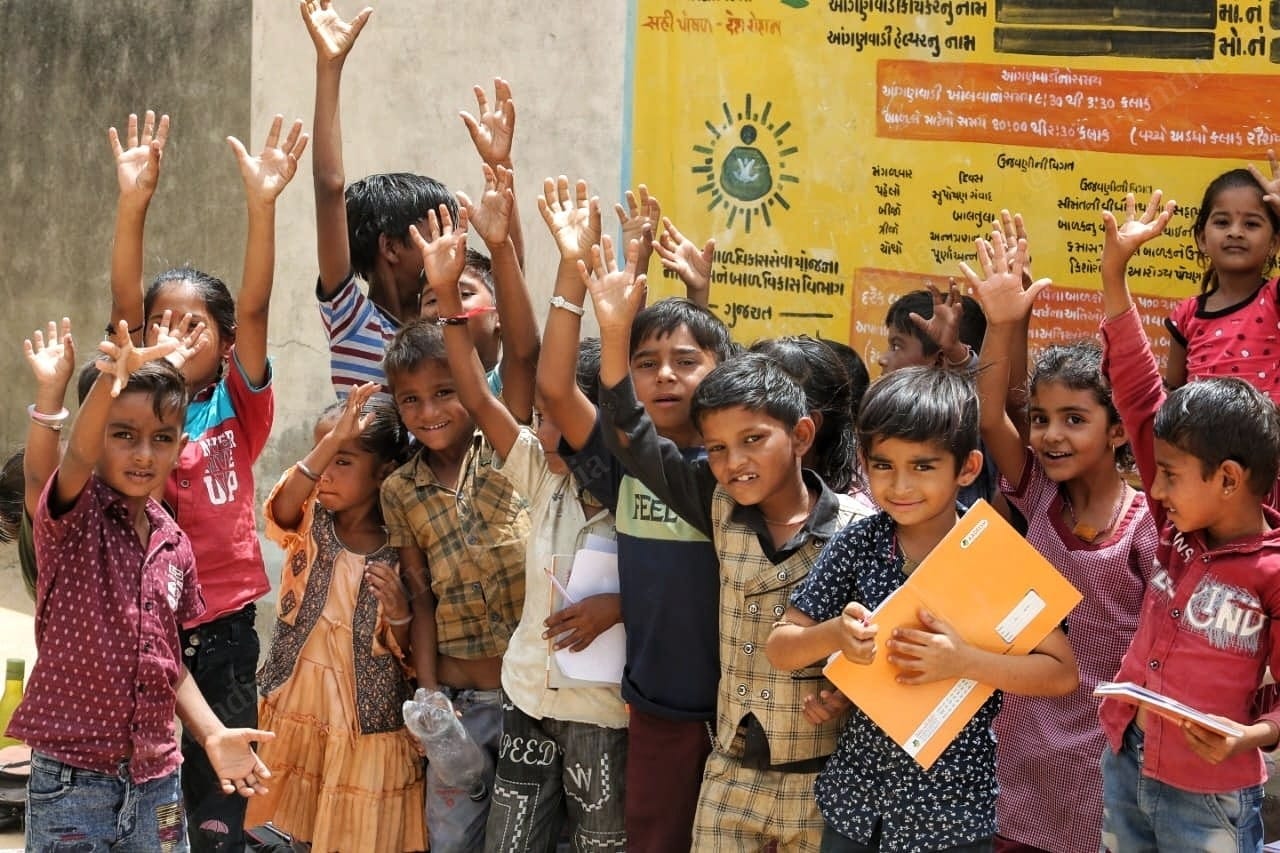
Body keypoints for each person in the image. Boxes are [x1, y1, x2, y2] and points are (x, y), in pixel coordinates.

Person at [582, 237, 870, 850]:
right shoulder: (713, 501)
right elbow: (631, 434)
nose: (733, 463)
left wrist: (846, 691)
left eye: (753, 441)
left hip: (818, 779)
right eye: (716, 449)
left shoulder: (856, 527)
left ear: (801, 435)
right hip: (729, 772)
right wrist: (613, 334)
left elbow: (883, 636)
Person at [766, 366, 1079, 853]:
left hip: (952, 813)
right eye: (884, 465)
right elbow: (782, 648)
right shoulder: (858, 543)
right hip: (857, 804)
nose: (900, 486)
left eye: (924, 466)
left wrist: (964, 662)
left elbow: (1061, 674)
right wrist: (836, 635)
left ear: (968, 469)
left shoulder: (993, 556)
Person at [106, 108, 308, 852]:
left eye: (196, 324)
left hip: (223, 638)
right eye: (165, 321)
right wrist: (134, 203)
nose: (178, 332)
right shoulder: (136, 416)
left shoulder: (237, 409)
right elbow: (124, 311)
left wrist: (263, 205)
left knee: (219, 815)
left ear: (225, 346)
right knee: (151, 813)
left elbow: (253, 306)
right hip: (144, 632)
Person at [9, 324, 274, 851]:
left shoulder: (173, 542)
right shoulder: (75, 520)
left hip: (157, 782)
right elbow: (74, 459)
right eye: (122, 434)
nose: (143, 454)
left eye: (161, 438)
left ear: (180, 443)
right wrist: (105, 381)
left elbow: (166, 660)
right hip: (72, 782)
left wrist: (212, 733)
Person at [411, 207, 628, 851]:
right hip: (528, 700)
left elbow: (687, 590)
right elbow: (479, 396)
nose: (552, 434)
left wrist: (616, 608)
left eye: (570, 420)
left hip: (603, 719)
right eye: (547, 418)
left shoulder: (646, 498)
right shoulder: (542, 474)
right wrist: (447, 294)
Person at [536, 177, 731, 853]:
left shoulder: (737, 471)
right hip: (658, 711)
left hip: (742, 713)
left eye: (685, 362)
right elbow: (556, 389)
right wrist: (571, 270)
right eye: (645, 364)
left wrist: (696, 301)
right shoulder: (624, 463)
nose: (665, 376)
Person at [1095, 191, 1280, 852]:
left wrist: (1249, 736)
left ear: (1228, 479)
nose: (1154, 489)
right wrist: (1115, 278)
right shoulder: (1177, 527)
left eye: (1169, 475)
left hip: (1211, 796)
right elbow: (1142, 393)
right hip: (1125, 757)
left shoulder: (1272, 571)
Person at [962, 230, 1158, 853]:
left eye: (1075, 420)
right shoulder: (1038, 494)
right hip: (1026, 735)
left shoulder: (1149, 524)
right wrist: (1000, 323)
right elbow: (991, 417)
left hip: (1110, 754)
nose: (1049, 436)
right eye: (1042, 420)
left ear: (1121, 432)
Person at [302, 0, 516, 395]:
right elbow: (329, 186)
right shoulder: (352, 318)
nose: (452, 243)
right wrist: (329, 67)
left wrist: (500, 166)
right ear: (391, 247)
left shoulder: (446, 324)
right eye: (436, 230)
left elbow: (510, 285)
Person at [245, 383, 423, 852]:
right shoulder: (308, 518)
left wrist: (401, 614)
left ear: (384, 471)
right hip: (298, 697)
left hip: (364, 718)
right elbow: (281, 506)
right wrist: (329, 446)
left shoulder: (401, 549)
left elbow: (409, 649)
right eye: (322, 456)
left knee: (351, 832)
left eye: (343, 461)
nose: (325, 473)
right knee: (287, 825)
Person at [380, 312, 531, 850]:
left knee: (521, 835)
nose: (429, 411)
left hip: (529, 701)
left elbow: (524, 349)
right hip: (458, 708)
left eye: (445, 391)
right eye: (411, 400)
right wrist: (429, 696)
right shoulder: (400, 490)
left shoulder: (506, 454)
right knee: (451, 839)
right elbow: (421, 599)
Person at [1163, 157, 1280, 399]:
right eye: (1222, 222)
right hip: (1200, 436)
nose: (1235, 232)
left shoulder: (1274, 298)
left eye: (1251, 224)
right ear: (1202, 239)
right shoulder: (1187, 314)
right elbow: (1172, 393)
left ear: (1274, 243)